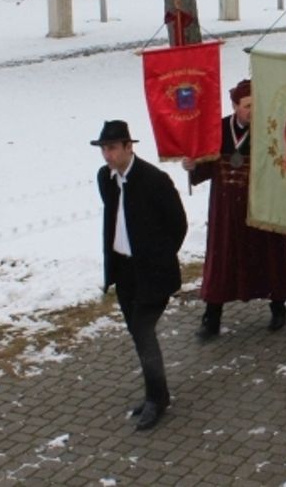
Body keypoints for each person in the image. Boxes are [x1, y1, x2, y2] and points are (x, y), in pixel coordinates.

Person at [93, 120, 188, 431]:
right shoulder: (105, 179)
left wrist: (159, 256)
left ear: (128, 147)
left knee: (143, 331)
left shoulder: (154, 180)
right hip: (124, 270)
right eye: (104, 149)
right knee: (138, 333)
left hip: (153, 273)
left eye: (112, 148)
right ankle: (155, 394)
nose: (107, 155)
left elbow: (178, 224)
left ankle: (156, 399)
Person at [183, 81, 286, 339]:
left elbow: (283, 165)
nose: (253, 110)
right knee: (222, 260)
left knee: (269, 255)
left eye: (256, 104)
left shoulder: (270, 130)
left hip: (261, 207)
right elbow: (204, 167)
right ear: (235, 106)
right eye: (247, 106)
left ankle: (278, 307)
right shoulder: (217, 130)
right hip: (226, 210)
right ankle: (212, 318)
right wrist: (192, 165)